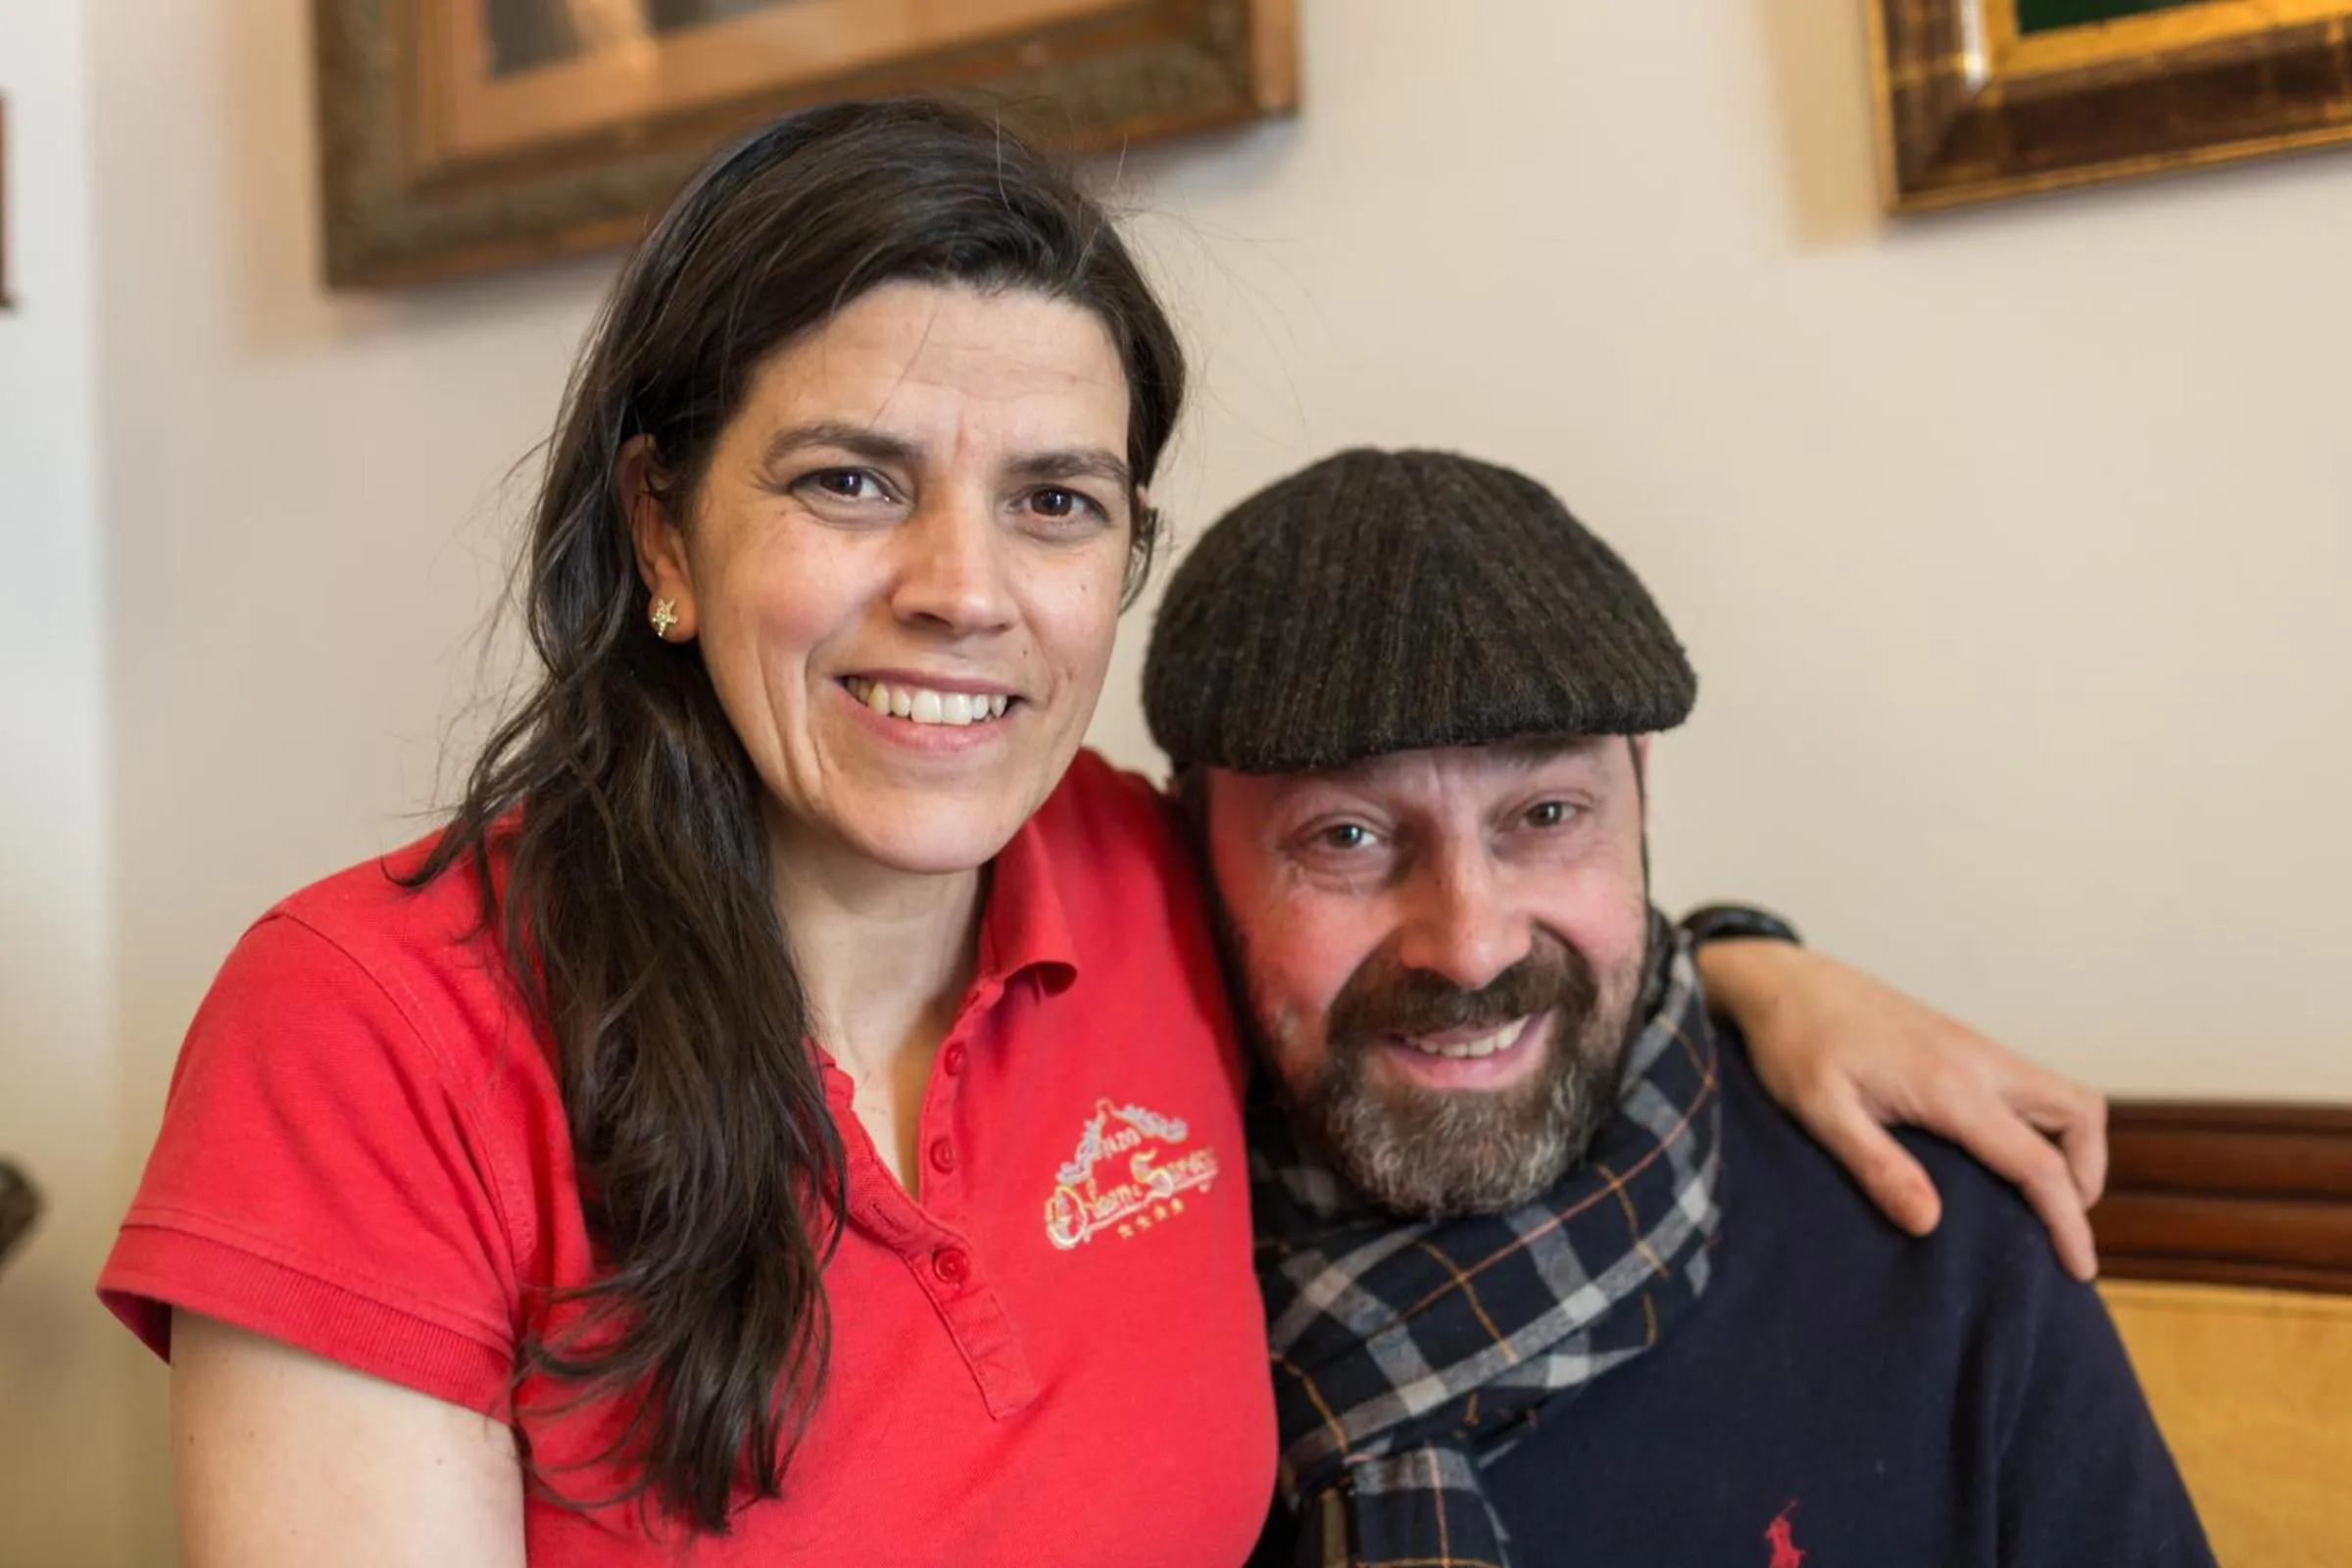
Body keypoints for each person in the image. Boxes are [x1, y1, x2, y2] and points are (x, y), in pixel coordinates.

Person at [100, 100, 2104, 1566]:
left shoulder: (1144, 881)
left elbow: (1457, 937)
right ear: (660, 536)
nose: (966, 588)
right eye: (853, 479)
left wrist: (1762, 966)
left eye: (1057, 500)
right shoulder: (373, 1025)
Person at [1141, 448, 2210, 1568]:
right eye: (1346, 836)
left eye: (1548, 813)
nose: (1469, 945)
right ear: (1184, 839)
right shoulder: (1089, 1284)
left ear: (1641, 793)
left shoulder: (1941, 1242)